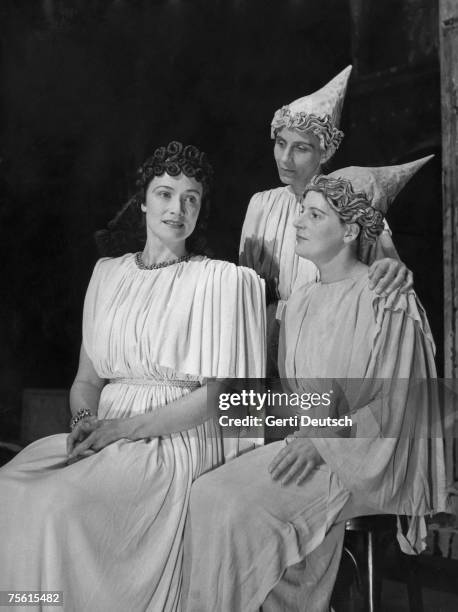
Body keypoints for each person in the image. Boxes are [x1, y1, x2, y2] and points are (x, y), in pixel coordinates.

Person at [0, 141, 266, 612]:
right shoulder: (107, 275)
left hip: (172, 440)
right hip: (104, 434)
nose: (176, 208)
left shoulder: (220, 281)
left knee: (55, 506)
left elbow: (216, 399)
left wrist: (120, 430)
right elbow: (86, 380)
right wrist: (85, 420)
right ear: (143, 200)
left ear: (200, 210)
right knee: (9, 491)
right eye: (165, 194)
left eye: (190, 198)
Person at [183, 157, 447, 612]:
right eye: (302, 210)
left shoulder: (386, 298)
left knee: (234, 508)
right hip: (309, 442)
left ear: (349, 232)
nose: (298, 222)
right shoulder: (300, 301)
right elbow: (299, 398)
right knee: (204, 491)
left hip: (366, 455)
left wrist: (324, 439)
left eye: (315, 215)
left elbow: (401, 405)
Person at [239, 66, 412, 373]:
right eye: (281, 143)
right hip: (263, 344)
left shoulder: (351, 205)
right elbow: (245, 291)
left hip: (329, 345)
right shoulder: (261, 205)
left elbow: (389, 274)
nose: (285, 158)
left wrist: (392, 267)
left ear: (325, 151)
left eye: (300, 148)